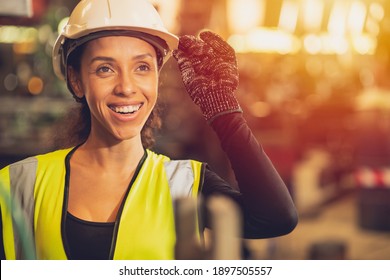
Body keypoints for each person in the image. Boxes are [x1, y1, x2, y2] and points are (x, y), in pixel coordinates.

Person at [0, 0, 297, 260]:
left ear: (157, 76)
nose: (127, 87)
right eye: (105, 68)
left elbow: (276, 218)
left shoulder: (184, 185)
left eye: (142, 67)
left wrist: (224, 112)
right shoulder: (20, 183)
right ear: (76, 81)